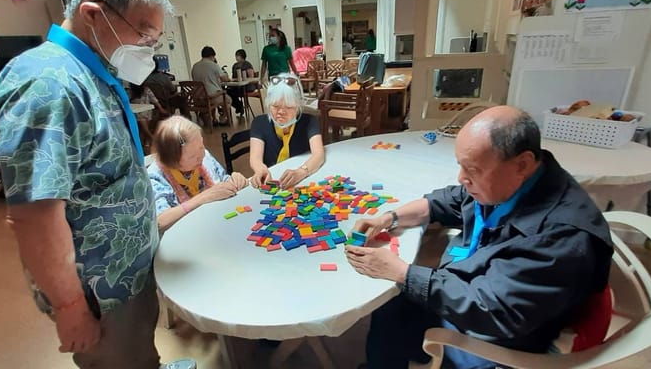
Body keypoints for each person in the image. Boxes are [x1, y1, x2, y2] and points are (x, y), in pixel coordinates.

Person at [0, 0, 195, 368]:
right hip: (99, 291)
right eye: (144, 34)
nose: (150, 48)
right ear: (93, 14)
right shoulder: (48, 86)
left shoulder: (94, 74)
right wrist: (69, 309)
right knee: (119, 358)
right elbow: (35, 217)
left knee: (138, 350)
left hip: (127, 273)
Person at [346, 106, 613, 369]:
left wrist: (403, 273)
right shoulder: (516, 181)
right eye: (461, 167)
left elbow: (492, 310)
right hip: (483, 287)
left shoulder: (561, 238)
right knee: (393, 303)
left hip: (500, 337)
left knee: (393, 310)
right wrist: (389, 218)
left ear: (523, 163)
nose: (462, 178)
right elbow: (448, 201)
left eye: (472, 170)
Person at [148, 116, 247, 232]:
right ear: (172, 160)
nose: (201, 156)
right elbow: (159, 222)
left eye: (201, 147)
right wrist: (203, 197)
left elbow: (221, 179)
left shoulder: (204, 157)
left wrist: (233, 180)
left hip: (216, 224)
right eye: (192, 156)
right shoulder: (155, 177)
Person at [249, 73, 324, 189]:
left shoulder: (309, 121)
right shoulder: (259, 123)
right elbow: (255, 158)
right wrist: (260, 170)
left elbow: (319, 154)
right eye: (275, 106)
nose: (281, 112)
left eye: (288, 107)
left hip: (302, 182)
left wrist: (301, 172)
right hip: (273, 179)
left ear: (298, 106)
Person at [191, 45, 230, 126]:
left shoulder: (195, 66)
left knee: (213, 93)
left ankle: (213, 119)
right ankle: (223, 119)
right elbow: (225, 79)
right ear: (212, 56)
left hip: (197, 98)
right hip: (210, 98)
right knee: (228, 99)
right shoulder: (213, 65)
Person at [227, 49, 256, 116]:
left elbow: (251, 77)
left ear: (241, 56)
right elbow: (233, 77)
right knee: (227, 92)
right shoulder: (235, 65)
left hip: (247, 86)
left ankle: (239, 106)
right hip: (237, 85)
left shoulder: (247, 64)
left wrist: (242, 79)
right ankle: (239, 106)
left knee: (232, 92)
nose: (236, 57)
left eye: (237, 55)